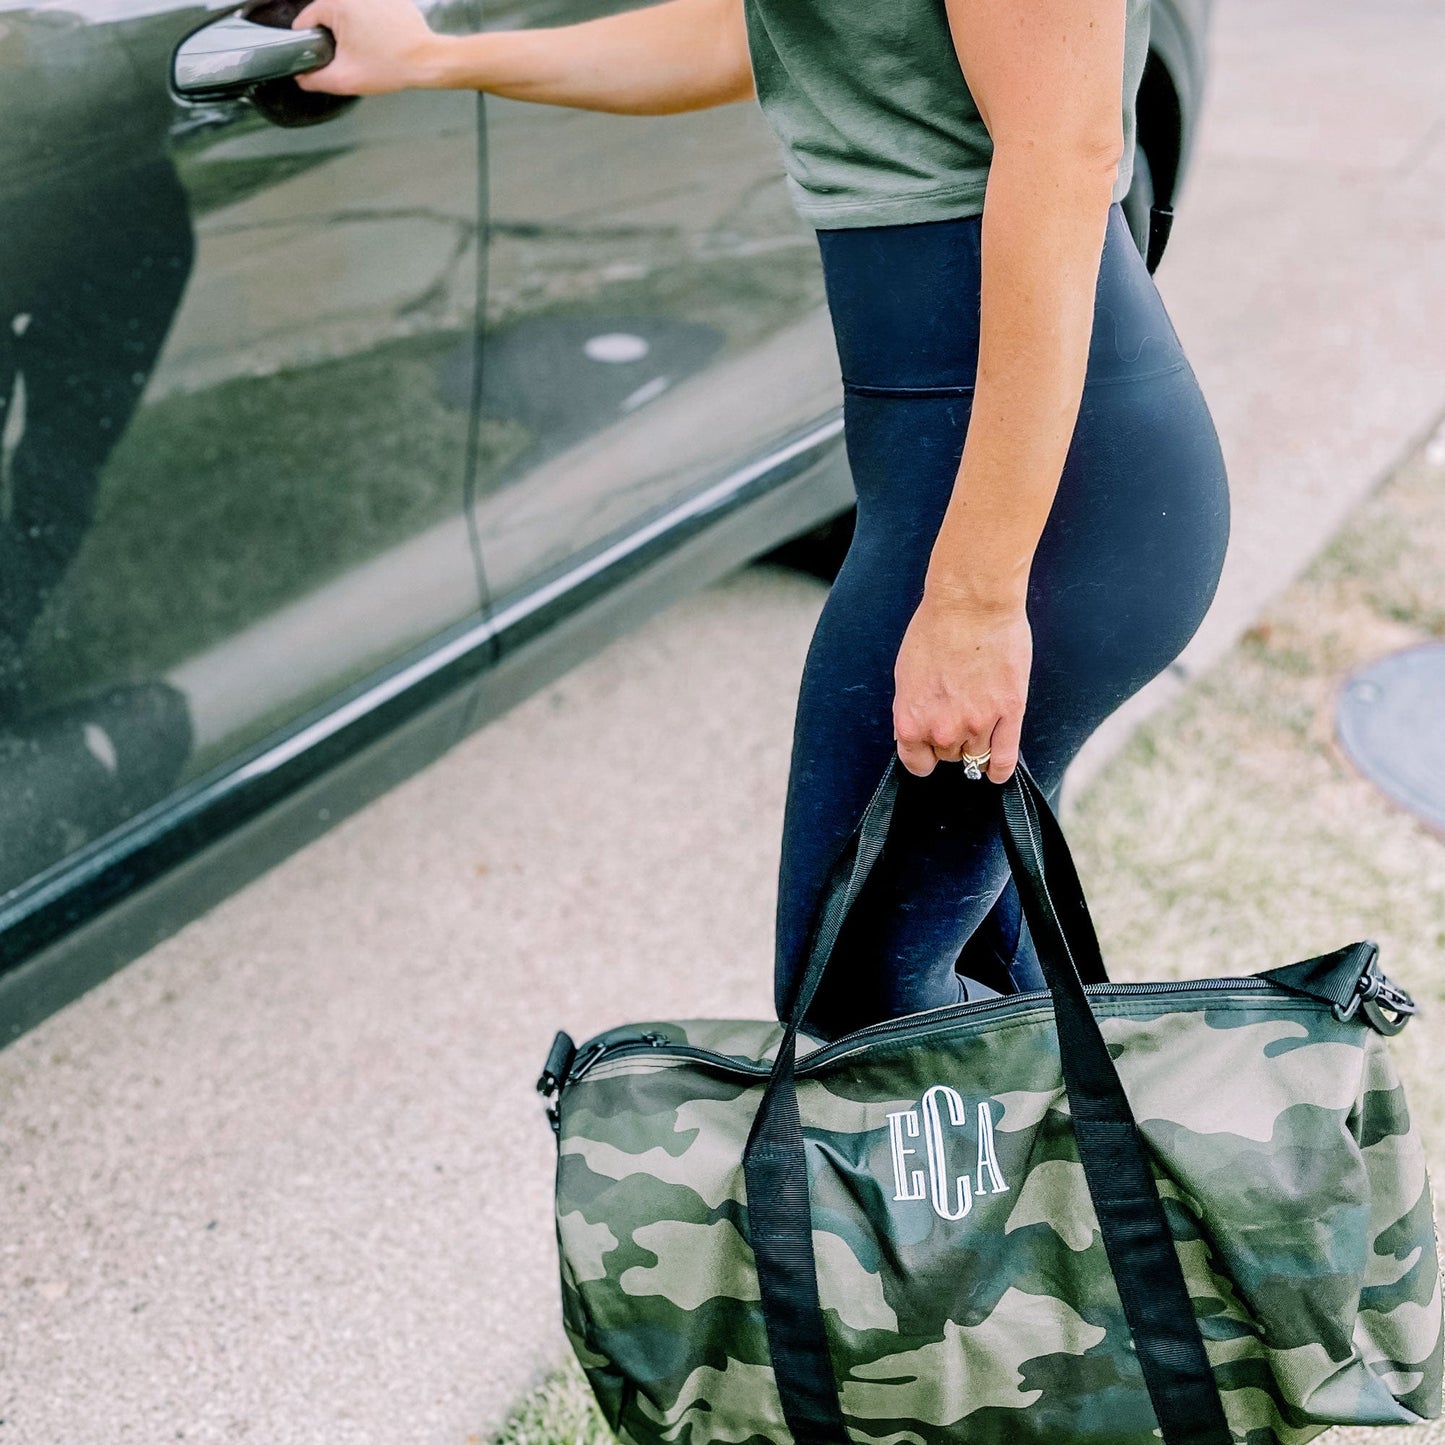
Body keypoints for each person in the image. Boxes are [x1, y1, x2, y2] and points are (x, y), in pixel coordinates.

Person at [291, 0, 1230, 1040]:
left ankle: (1132, 1178)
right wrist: (433, 58)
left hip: (1051, 504)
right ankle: (1100, 1192)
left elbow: (1062, 145)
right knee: (960, 981)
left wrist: (970, 598)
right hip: (959, 470)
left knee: (857, 989)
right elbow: (765, 31)